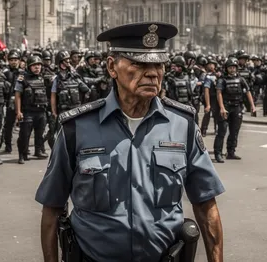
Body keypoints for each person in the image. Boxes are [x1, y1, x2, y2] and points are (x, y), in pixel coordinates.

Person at [36, 22, 224, 262]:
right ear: (112, 67)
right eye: (139, 63)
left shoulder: (182, 125)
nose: (153, 72)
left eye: (158, 63)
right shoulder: (76, 128)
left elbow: (206, 203)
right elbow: (52, 208)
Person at [15, 55, 48, 164]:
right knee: (24, 135)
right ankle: (22, 154)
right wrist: (18, 111)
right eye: (34, 65)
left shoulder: (44, 77)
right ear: (29, 67)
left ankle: (38, 151)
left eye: (38, 65)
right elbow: (18, 95)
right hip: (28, 111)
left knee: (40, 133)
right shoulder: (22, 78)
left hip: (41, 111)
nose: (37, 67)